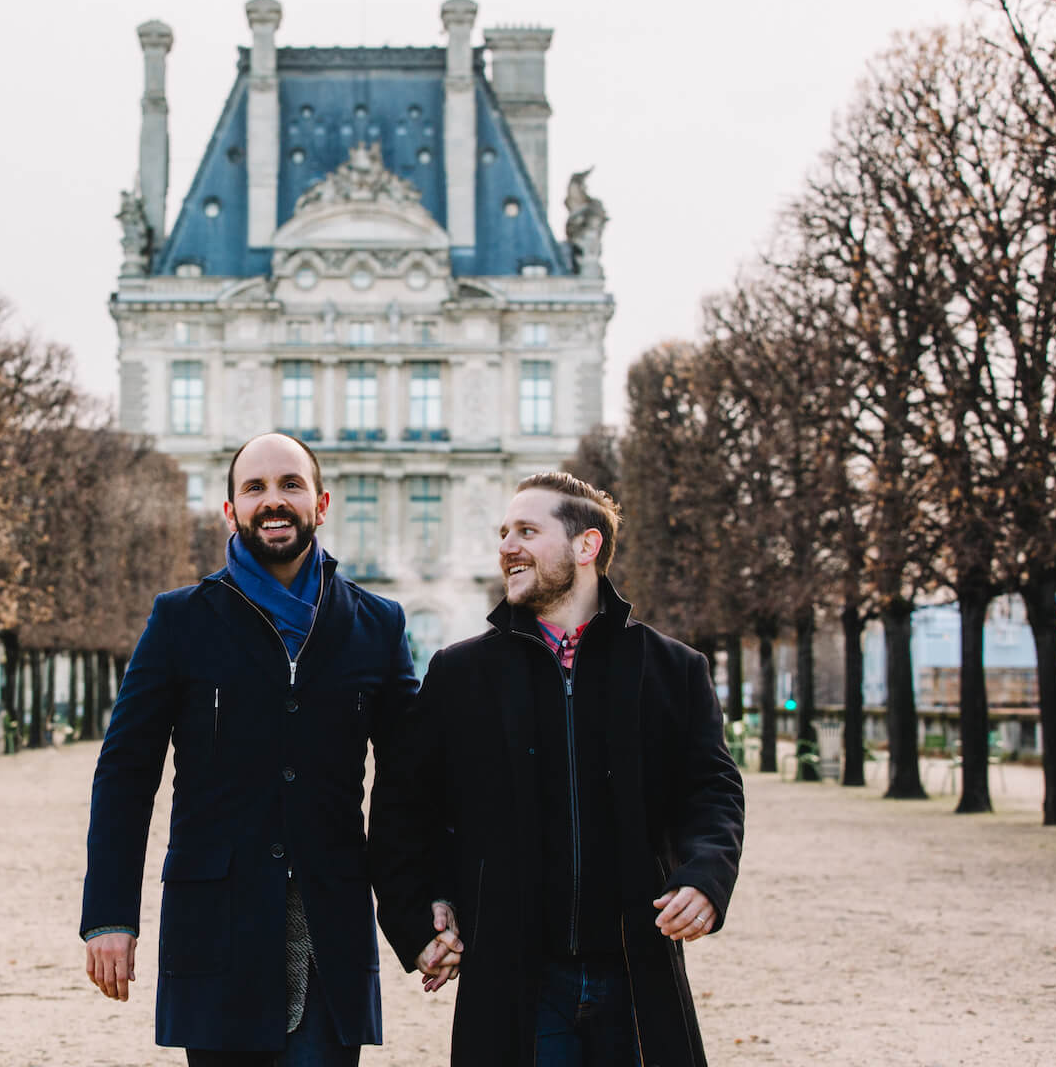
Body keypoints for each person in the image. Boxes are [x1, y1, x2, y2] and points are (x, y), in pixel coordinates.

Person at [369, 472, 744, 1067]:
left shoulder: (674, 669)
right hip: (513, 979)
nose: (507, 546)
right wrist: (419, 913)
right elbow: (402, 809)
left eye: (527, 531)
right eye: (503, 533)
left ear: (586, 546)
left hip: (636, 971)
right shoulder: (459, 673)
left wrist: (704, 876)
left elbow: (712, 790)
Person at [81, 432, 419, 1066]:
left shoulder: (378, 625)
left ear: (321, 503)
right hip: (216, 929)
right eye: (255, 487)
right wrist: (109, 917)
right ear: (230, 510)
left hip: (330, 931)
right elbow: (125, 773)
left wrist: (429, 906)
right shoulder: (179, 620)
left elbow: (413, 781)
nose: (274, 500)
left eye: (290, 485)